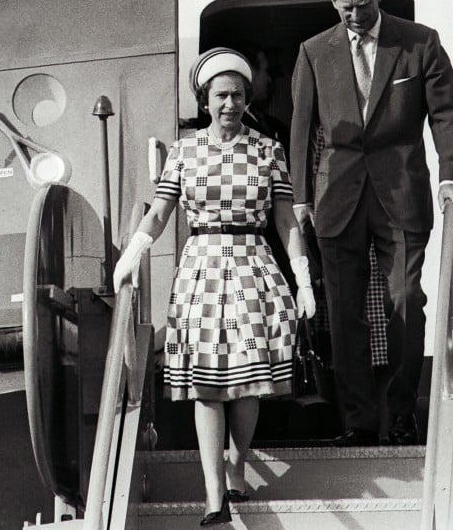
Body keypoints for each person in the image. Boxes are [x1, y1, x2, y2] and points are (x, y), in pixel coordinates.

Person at [114, 48, 316, 525]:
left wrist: (303, 279)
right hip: (201, 269)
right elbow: (160, 212)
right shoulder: (183, 151)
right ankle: (213, 496)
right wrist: (132, 254)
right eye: (222, 95)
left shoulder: (267, 150)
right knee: (206, 388)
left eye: (238, 95)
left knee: (246, 386)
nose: (231, 104)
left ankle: (237, 464)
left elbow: (286, 219)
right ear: (205, 100)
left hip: (252, 266)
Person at [290, 0, 453, 447]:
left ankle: (403, 412)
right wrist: (301, 198)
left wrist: (451, 178)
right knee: (344, 311)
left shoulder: (419, 42)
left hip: (401, 192)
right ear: (332, 2)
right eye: (345, 7)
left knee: (405, 300)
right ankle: (359, 421)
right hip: (336, 197)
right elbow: (302, 127)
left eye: (363, 4)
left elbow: (447, 113)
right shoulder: (313, 51)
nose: (355, 15)